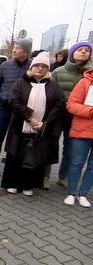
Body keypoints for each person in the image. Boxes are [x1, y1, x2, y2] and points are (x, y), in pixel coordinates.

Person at [1, 52, 64, 196]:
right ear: (31, 67)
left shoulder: (53, 86)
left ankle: (29, 185)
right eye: (37, 66)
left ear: (48, 69)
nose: (40, 69)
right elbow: (14, 101)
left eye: (43, 66)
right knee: (15, 155)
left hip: (41, 128)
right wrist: (29, 118)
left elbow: (60, 104)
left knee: (34, 156)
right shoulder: (21, 82)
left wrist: (45, 122)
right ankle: (12, 183)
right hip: (20, 125)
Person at [0, 38, 32, 179]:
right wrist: (1, 97)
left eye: (17, 47)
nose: (14, 50)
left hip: (21, 111)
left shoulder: (33, 67)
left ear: (26, 51)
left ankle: (15, 169)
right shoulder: (5, 65)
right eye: (14, 47)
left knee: (18, 140)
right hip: (3, 108)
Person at [48, 42, 92, 188]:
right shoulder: (58, 72)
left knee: (71, 149)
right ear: (72, 53)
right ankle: (45, 176)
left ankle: (63, 176)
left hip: (78, 118)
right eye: (80, 49)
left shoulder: (90, 75)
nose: (84, 52)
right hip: (58, 115)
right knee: (50, 145)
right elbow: (48, 93)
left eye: (87, 50)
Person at [63, 68, 93, 207]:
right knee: (77, 162)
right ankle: (72, 193)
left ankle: (83, 194)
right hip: (82, 131)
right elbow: (71, 104)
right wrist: (91, 111)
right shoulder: (84, 83)